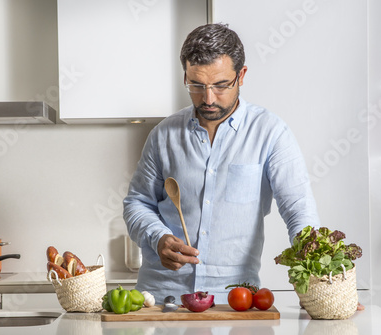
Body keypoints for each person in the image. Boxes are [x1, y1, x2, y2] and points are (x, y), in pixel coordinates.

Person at [123, 23, 320, 305]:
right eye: (197, 85)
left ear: (241, 75)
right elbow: (137, 203)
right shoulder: (163, 135)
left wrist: (323, 278)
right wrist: (158, 237)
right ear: (185, 77)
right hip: (161, 298)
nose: (208, 98)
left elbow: (299, 211)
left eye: (220, 85)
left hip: (234, 300)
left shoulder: (271, 133)